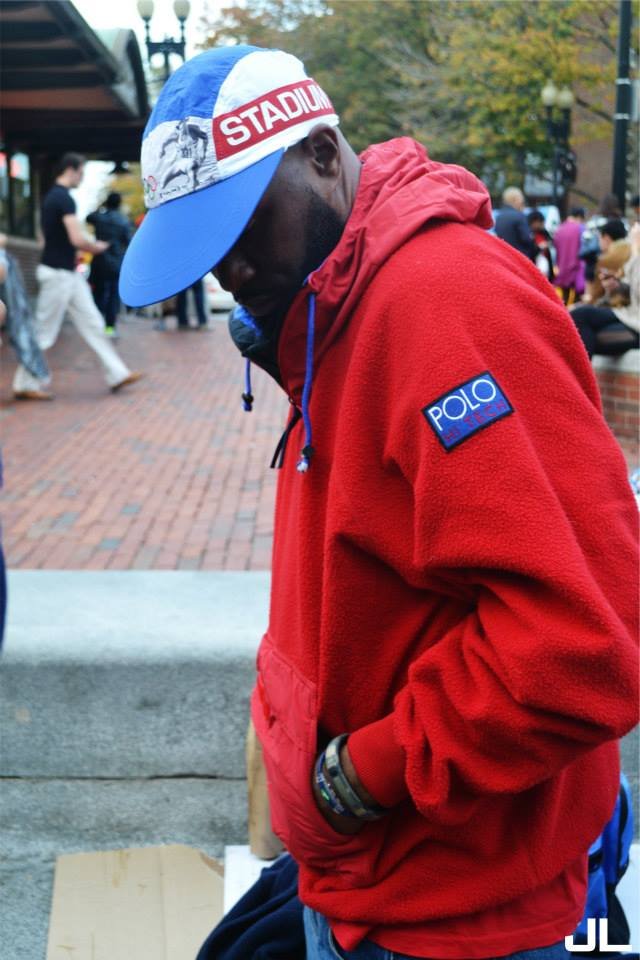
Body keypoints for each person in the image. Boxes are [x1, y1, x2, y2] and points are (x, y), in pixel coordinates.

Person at [120, 47, 639, 960]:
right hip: (378, 882)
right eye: (204, 245)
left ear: (324, 154)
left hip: (448, 910)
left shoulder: (443, 303)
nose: (228, 268)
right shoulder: (336, 304)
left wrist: (360, 775)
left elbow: (583, 638)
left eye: (244, 223)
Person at [12, 153, 143, 400]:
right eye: (81, 173)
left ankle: (117, 373)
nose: (82, 178)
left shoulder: (51, 198)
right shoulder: (63, 198)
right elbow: (76, 238)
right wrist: (96, 247)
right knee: (44, 332)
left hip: (66, 273)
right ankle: (25, 383)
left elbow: (43, 239)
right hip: (58, 274)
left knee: (93, 323)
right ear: (71, 169)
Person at [570, 222, 640, 358]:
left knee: (584, 330)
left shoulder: (632, 253)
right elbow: (631, 292)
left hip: (634, 321)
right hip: (627, 315)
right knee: (580, 322)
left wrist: (637, 251)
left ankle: (581, 372)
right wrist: (617, 286)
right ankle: (581, 372)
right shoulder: (631, 253)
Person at [86, 191, 132, 337]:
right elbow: (128, 242)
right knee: (113, 296)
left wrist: (101, 206)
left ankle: (97, 326)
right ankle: (110, 328)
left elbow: (88, 217)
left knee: (98, 294)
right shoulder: (124, 221)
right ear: (119, 204)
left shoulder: (100, 217)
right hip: (116, 264)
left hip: (99, 262)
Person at [494, 186, 537, 260]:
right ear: (515, 199)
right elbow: (527, 239)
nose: (523, 204)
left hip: (504, 258)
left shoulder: (499, 217)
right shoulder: (519, 216)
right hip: (520, 258)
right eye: (522, 202)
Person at [553, 207, 585, 305]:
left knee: (564, 299)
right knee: (577, 301)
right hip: (576, 269)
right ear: (579, 217)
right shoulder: (580, 228)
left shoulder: (559, 229)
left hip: (562, 269)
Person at [527, 209, 554, 279]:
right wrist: (540, 247)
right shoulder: (528, 234)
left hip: (546, 264)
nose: (542, 224)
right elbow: (531, 251)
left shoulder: (544, 232)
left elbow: (551, 241)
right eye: (539, 222)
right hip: (535, 265)